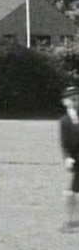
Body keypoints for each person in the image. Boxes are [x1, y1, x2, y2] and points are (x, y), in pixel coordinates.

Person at [59, 86, 79, 231]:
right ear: (65, 101)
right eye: (71, 98)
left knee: (72, 191)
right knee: (71, 192)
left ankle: (70, 221)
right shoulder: (64, 121)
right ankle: (70, 221)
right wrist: (67, 158)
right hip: (76, 159)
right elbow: (64, 142)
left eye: (76, 97)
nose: (74, 100)